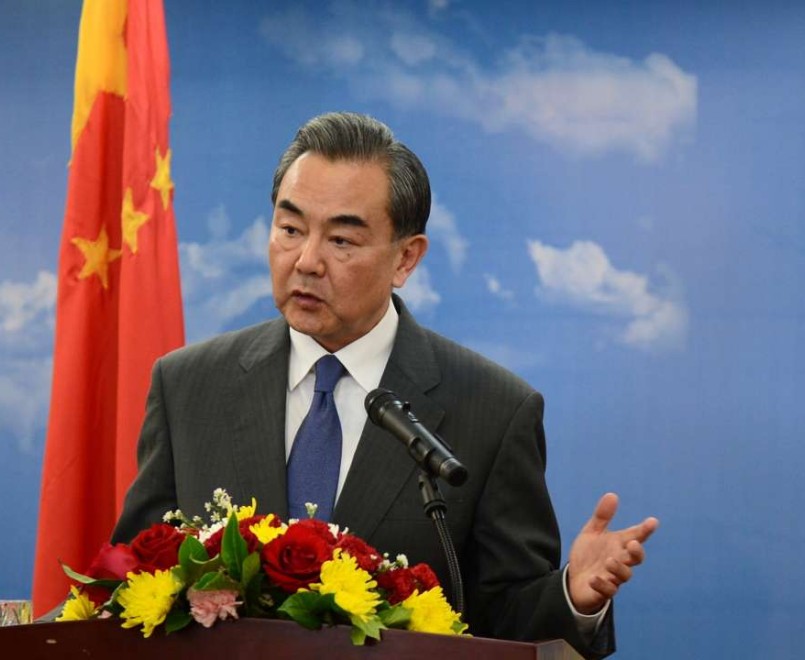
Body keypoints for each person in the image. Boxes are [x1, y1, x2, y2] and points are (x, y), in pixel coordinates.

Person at [111, 112, 657, 659]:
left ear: (405, 258)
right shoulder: (189, 386)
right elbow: (131, 586)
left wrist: (572, 597)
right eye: (290, 228)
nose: (306, 261)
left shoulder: (493, 411)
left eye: (342, 239)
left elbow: (502, 617)